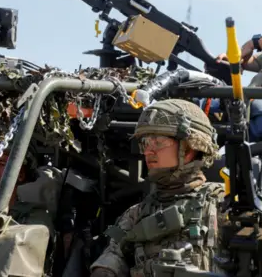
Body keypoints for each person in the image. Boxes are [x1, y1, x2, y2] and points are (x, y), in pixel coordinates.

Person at [89, 99, 226, 277]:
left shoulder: (223, 203)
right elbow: (110, 261)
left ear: (191, 147)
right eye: (146, 143)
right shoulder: (135, 214)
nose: (148, 152)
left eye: (158, 142)